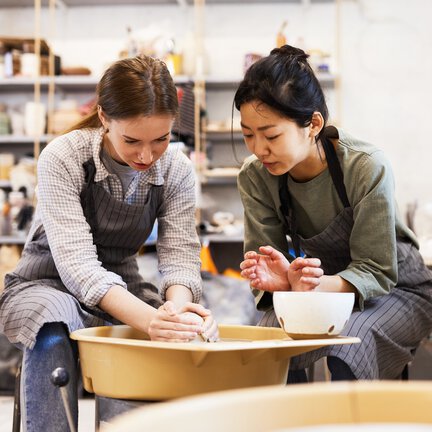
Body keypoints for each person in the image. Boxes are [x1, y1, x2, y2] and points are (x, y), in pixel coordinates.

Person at [0, 55, 218, 431]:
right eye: (132, 140)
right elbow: (78, 268)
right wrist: (152, 321)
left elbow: (180, 256)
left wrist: (176, 317)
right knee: (55, 328)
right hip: (46, 280)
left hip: (122, 280)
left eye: (162, 139)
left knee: (181, 338)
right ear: (104, 118)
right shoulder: (64, 156)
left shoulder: (177, 170)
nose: (147, 156)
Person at [236, 45, 432, 382]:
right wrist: (282, 282)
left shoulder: (365, 166)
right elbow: (268, 264)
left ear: (313, 124)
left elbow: (377, 269)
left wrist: (311, 287)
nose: (258, 149)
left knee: (348, 343)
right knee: (270, 343)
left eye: (270, 135)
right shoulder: (255, 176)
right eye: (247, 134)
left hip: (396, 289)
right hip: (316, 288)